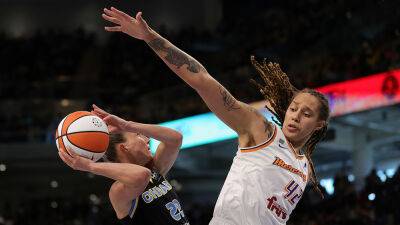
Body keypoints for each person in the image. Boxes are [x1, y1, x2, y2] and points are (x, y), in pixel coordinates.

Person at [102, 7, 330, 225]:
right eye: (293, 108)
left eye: (306, 113)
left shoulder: (303, 167)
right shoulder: (261, 130)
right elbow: (202, 79)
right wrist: (149, 37)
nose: (296, 116)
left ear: (319, 125)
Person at [58, 104, 190, 225]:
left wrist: (128, 125)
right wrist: (89, 166)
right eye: (138, 135)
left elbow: (175, 139)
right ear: (125, 147)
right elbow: (141, 175)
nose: (147, 139)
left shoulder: (154, 169)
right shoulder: (118, 191)